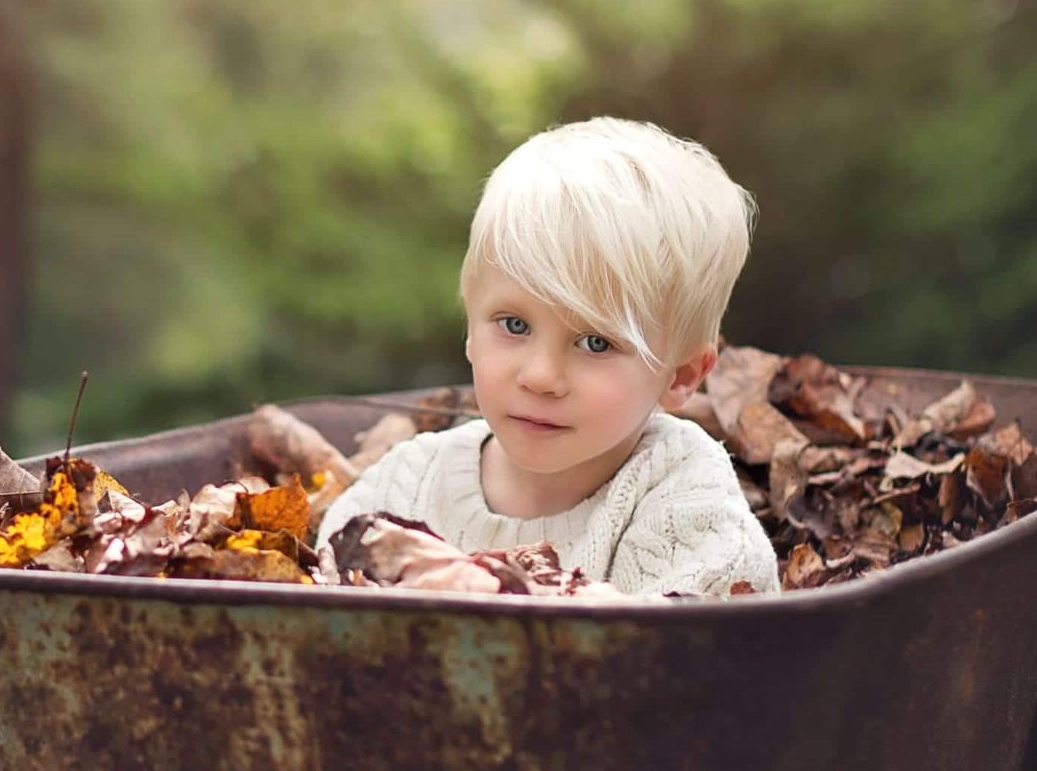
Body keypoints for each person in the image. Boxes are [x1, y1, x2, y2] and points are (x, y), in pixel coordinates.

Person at [317, 117, 781, 597]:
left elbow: (710, 640)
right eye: (514, 325)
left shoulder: (682, 498)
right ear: (471, 330)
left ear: (681, 375)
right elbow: (316, 600)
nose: (541, 377)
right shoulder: (409, 484)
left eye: (596, 343)